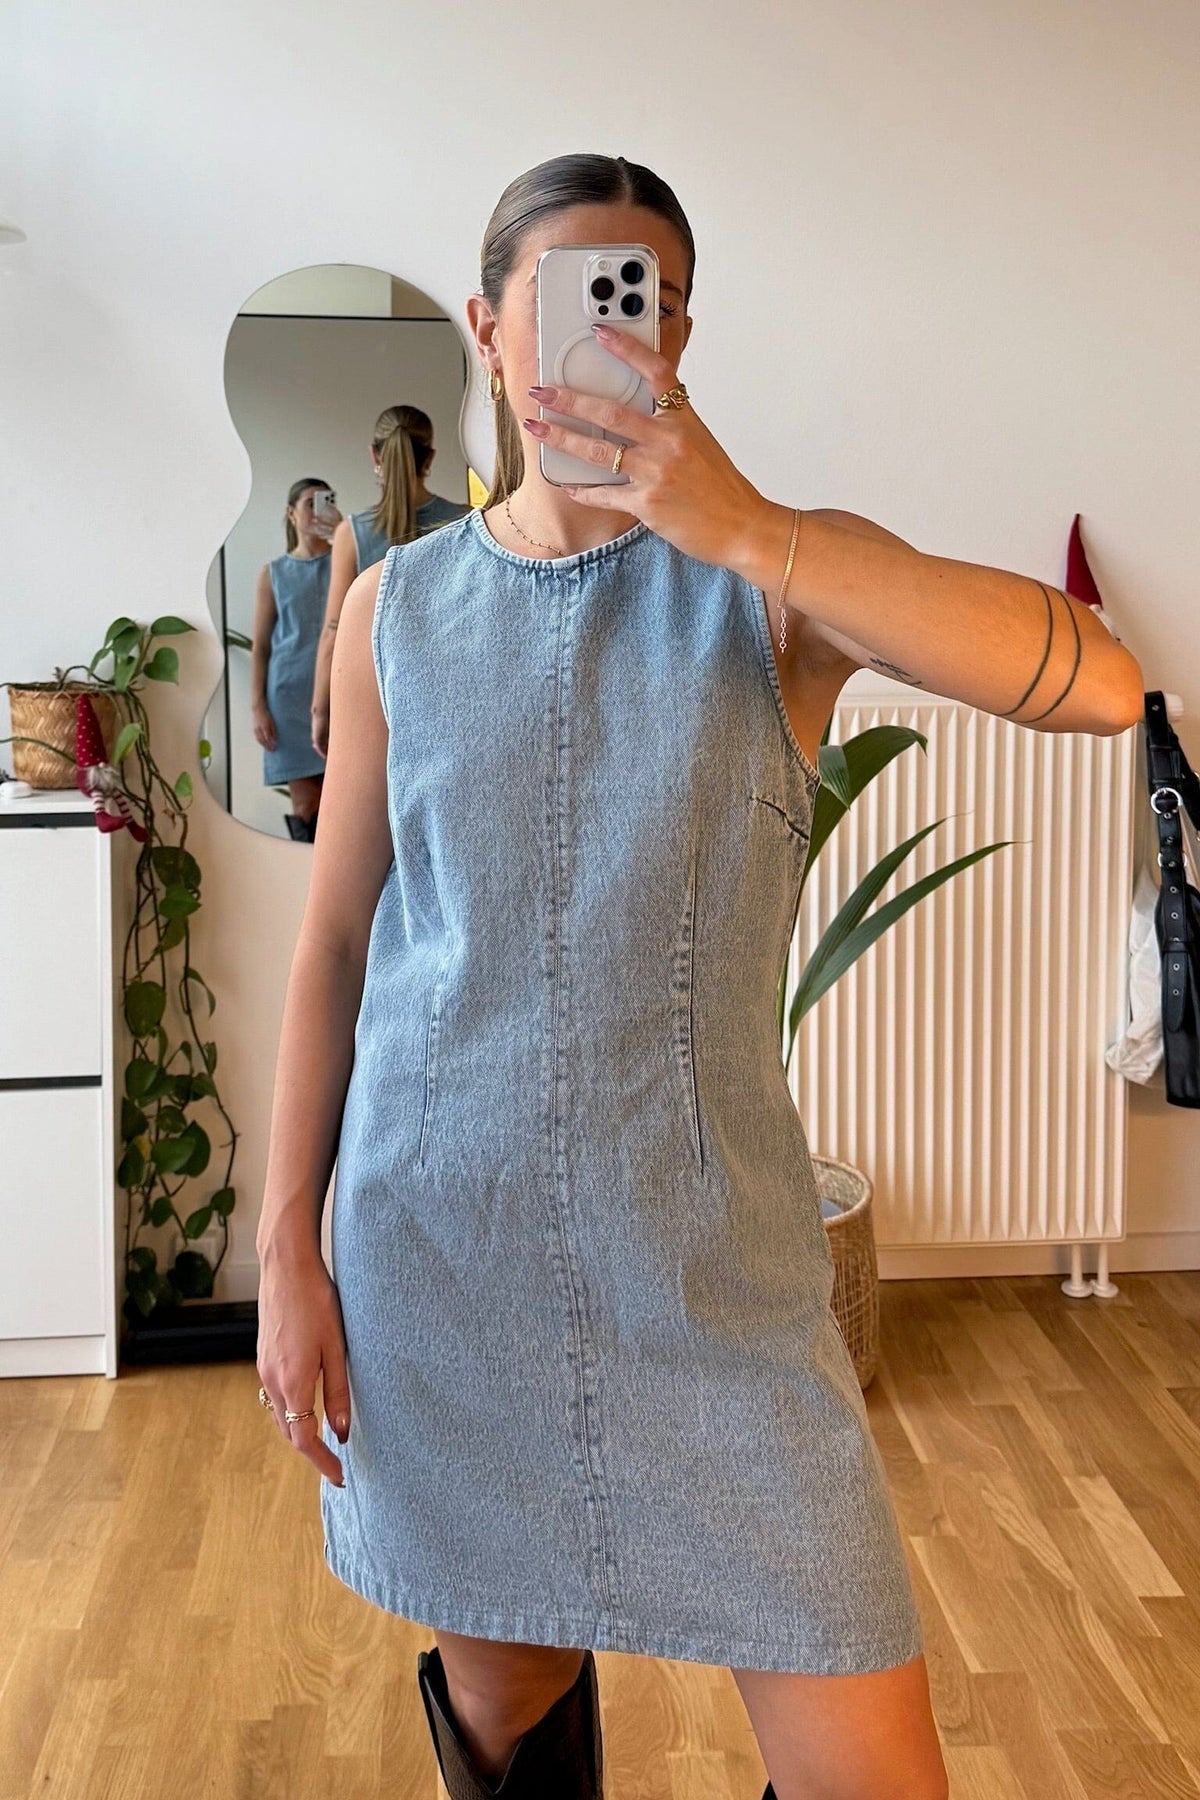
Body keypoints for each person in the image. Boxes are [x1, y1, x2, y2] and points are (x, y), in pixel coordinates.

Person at [254, 153, 1143, 1800]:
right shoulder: (394, 610)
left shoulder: (771, 588)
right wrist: (284, 1244)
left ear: (677, 336)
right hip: (443, 1262)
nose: (610, 335)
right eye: (567, 299)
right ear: (488, 330)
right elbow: (338, 941)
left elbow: (1101, 687)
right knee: (507, 1707)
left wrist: (751, 529)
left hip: (716, 1284)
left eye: (643, 302)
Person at [310, 404, 470, 760]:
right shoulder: (465, 521)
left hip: (373, 699)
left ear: (375, 455)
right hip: (450, 696)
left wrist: (321, 709)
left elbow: (333, 632)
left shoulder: (352, 533)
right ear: (429, 458)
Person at [250, 478, 341, 842]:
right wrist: (258, 706)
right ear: (291, 514)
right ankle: (306, 877)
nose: (318, 510)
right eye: (310, 503)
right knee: (305, 807)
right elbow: (261, 646)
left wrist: (344, 536)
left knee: (344, 804)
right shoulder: (272, 574)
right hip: (287, 701)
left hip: (338, 697)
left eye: (326, 501)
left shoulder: (347, 560)